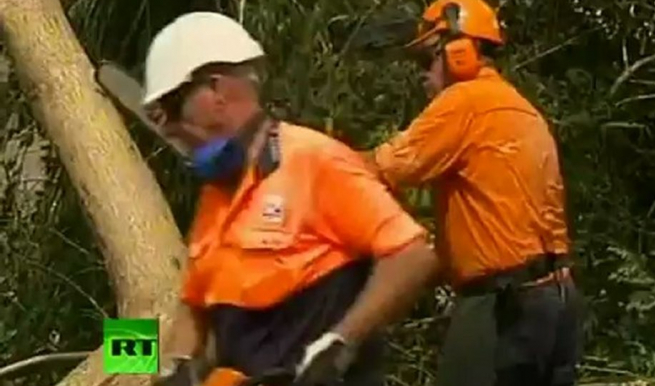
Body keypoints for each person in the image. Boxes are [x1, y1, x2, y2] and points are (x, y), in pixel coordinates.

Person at [140, 11, 440, 386]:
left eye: (171, 111)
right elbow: (196, 308)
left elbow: (413, 255)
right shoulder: (214, 200)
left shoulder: (314, 160)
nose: (169, 130)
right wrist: (178, 364)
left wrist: (340, 342)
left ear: (215, 90)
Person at [363, 0, 583, 385]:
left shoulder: (464, 102)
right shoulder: (520, 108)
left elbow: (385, 168)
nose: (422, 76)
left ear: (457, 51)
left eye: (425, 61)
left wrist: (312, 158)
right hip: (557, 303)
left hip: (502, 306)